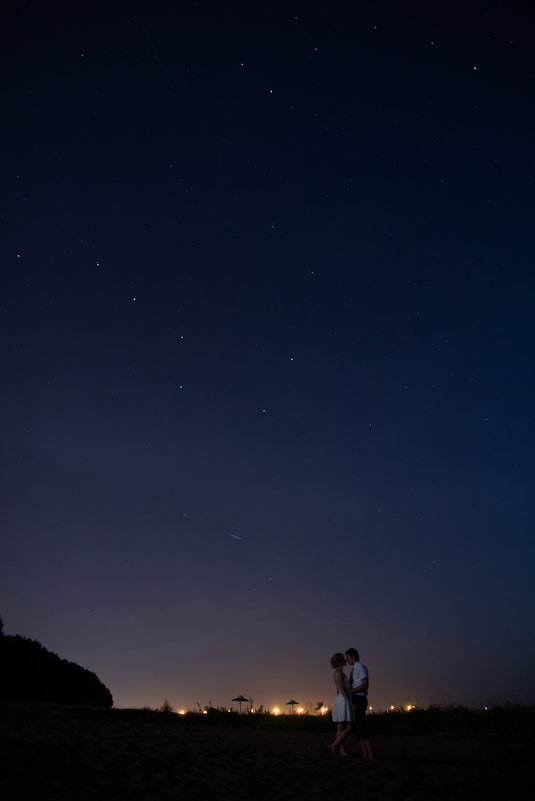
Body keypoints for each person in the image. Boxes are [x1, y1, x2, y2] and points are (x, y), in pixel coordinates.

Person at [345, 647, 374, 759]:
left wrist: (352, 691)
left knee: (362, 726)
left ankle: (370, 753)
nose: (347, 660)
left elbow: (365, 684)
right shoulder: (355, 669)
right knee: (358, 727)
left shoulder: (360, 667)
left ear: (353, 657)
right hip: (356, 698)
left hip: (360, 698)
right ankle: (365, 752)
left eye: (348, 657)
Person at [329, 652, 355, 755]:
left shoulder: (339, 672)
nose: (345, 660)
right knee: (349, 727)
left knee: (340, 727)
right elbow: (341, 689)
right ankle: (335, 744)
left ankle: (342, 750)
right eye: (343, 659)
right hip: (343, 700)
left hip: (341, 699)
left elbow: (337, 690)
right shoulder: (338, 673)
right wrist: (350, 703)